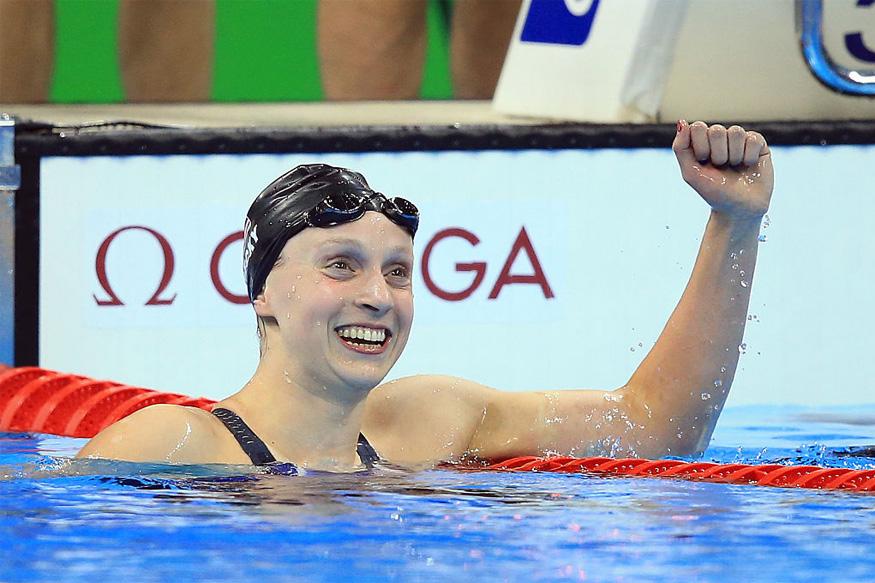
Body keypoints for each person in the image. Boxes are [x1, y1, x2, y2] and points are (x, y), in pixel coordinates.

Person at [77, 120, 774, 471]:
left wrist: (733, 223)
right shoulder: (173, 444)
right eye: (341, 266)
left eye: (397, 271)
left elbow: (656, 429)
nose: (377, 296)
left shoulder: (425, 422)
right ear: (261, 290)